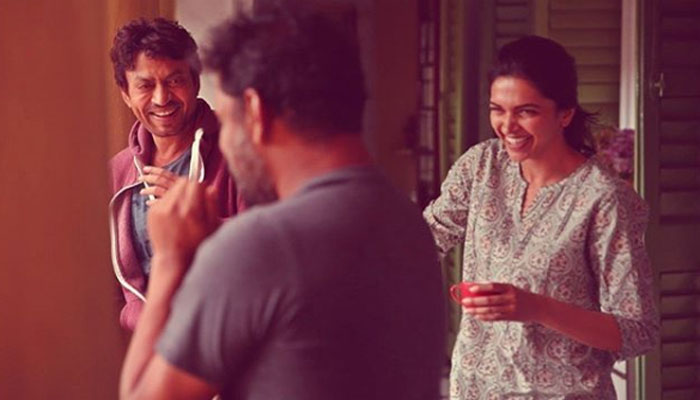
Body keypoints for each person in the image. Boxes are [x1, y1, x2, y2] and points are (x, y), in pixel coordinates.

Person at [119, 6, 446, 400]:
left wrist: (170, 260)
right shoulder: (407, 222)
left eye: (227, 120)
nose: (225, 141)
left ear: (255, 112)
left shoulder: (262, 246)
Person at [423, 35, 658, 399]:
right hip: (475, 389)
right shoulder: (481, 166)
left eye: (526, 111)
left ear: (565, 114)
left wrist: (537, 307)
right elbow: (424, 241)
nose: (507, 126)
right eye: (497, 109)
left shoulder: (604, 199)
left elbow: (637, 330)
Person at [108, 18, 241, 331]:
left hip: (223, 337)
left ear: (195, 82)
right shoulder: (117, 171)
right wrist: (131, 323)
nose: (161, 98)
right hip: (146, 343)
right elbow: (107, 285)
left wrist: (203, 222)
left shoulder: (239, 150)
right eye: (145, 86)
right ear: (125, 94)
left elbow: (271, 246)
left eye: (174, 80)